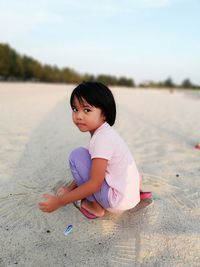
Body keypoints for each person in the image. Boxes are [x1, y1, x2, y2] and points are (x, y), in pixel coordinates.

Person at [39, 82, 151, 219]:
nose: (78, 116)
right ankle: (136, 191)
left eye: (86, 110)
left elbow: (94, 184)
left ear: (104, 114)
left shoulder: (101, 139)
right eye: (75, 109)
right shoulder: (107, 133)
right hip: (130, 196)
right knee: (90, 158)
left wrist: (60, 201)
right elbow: (91, 169)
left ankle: (95, 207)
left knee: (77, 156)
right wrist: (69, 188)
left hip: (117, 202)